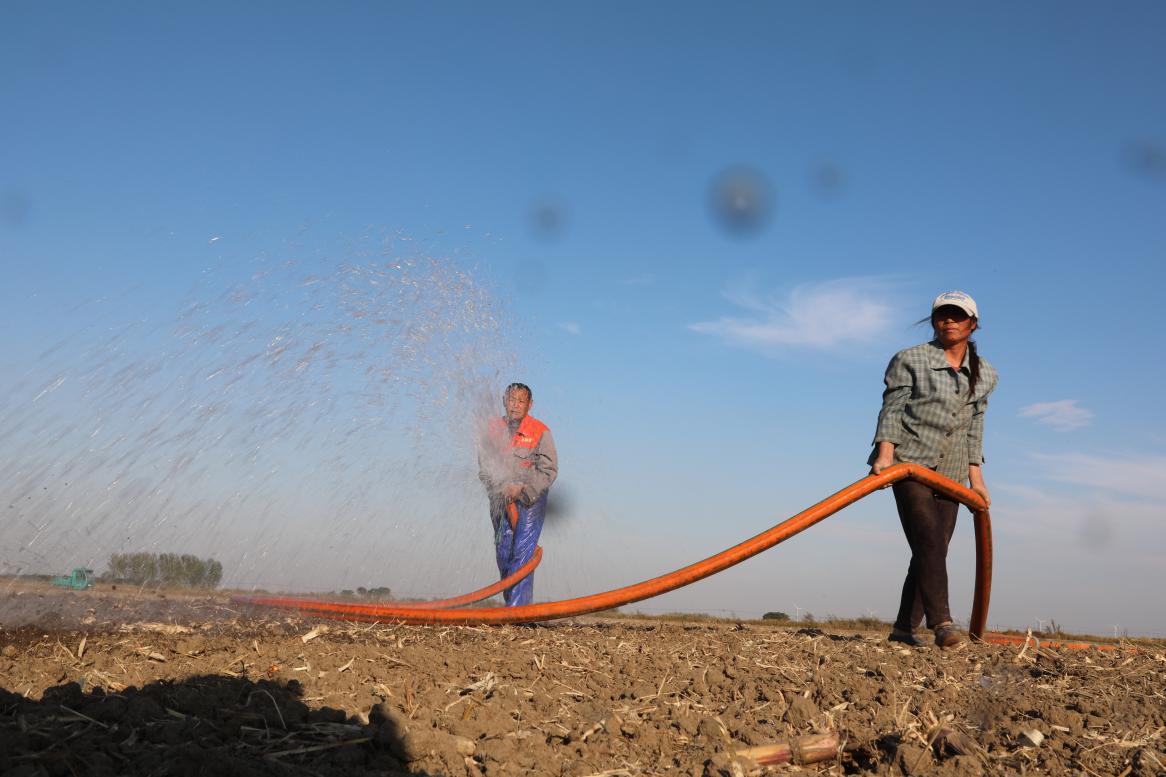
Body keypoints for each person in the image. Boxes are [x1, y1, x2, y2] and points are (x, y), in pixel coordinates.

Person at [869, 291, 998, 648]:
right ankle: (942, 622)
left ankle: (903, 629)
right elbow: (892, 410)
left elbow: (976, 425)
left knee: (933, 548)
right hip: (909, 464)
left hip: (952, 472)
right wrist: (885, 456)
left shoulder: (985, 373)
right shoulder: (910, 359)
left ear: (972, 324)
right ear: (933, 321)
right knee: (928, 539)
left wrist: (977, 479)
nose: (949, 321)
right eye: (943, 315)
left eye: (958, 316)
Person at [478, 383, 558, 606]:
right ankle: (513, 607)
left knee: (522, 551)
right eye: (511, 400)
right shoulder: (492, 430)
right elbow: (484, 467)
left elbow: (549, 470)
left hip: (530, 498)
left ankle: (518, 613)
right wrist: (499, 486)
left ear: (529, 405)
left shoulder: (540, 431)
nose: (515, 405)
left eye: (520, 401)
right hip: (501, 498)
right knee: (504, 552)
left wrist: (523, 489)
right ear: (504, 401)